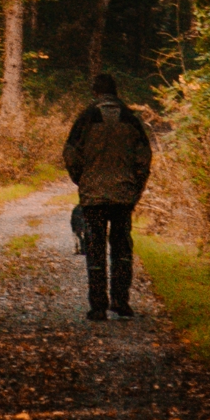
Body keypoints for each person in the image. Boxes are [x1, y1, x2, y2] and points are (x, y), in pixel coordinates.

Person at [62, 73, 152, 320]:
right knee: (122, 248)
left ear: (96, 93)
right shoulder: (131, 119)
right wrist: (136, 188)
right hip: (123, 195)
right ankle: (121, 302)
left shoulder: (85, 118)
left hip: (93, 197)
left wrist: (81, 179)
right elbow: (144, 158)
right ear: (116, 92)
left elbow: (70, 153)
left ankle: (98, 305)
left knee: (95, 249)